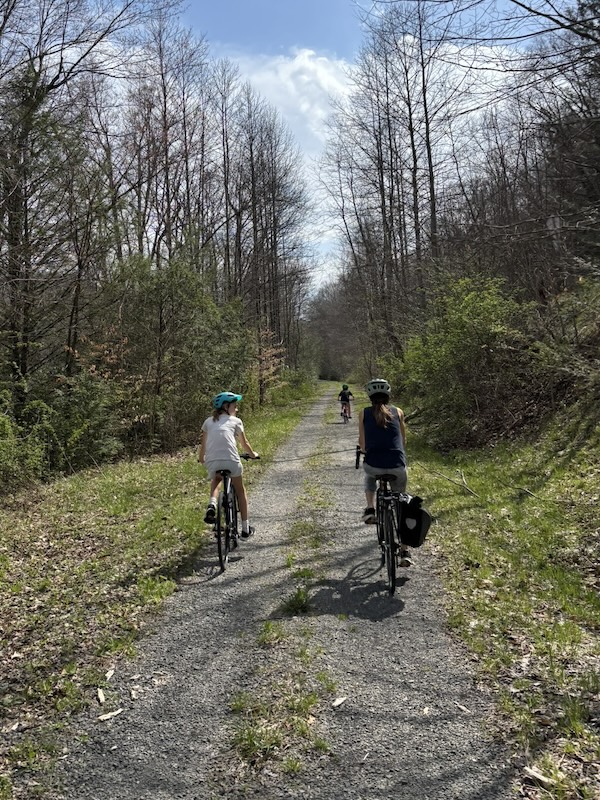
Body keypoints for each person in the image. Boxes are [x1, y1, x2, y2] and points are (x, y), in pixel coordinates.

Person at [357, 378, 411, 566]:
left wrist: (365, 450)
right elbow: (402, 442)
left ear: (369, 396)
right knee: (401, 505)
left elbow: (363, 444)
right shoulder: (399, 412)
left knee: (369, 474)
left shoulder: (363, 413)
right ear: (388, 395)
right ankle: (404, 552)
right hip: (397, 465)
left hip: (374, 464)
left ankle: (371, 508)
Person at [198, 391, 259, 538]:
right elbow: (244, 444)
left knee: (216, 480)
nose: (236, 409)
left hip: (212, 461)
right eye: (234, 406)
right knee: (240, 490)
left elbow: (203, 445)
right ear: (226, 406)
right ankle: (245, 529)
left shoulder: (208, 422)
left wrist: (202, 459)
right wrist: (253, 455)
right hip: (232, 460)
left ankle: (212, 503)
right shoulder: (236, 421)